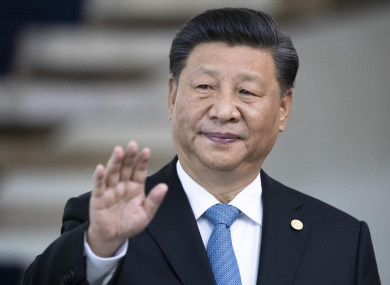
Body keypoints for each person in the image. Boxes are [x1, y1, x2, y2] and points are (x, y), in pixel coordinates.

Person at [22, 8, 380, 285]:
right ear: (172, 96)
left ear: (283, 109)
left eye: (247, 92)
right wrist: (98, 249)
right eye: (205, 87)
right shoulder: (104, 225)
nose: (224, 111)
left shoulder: (341, 240)